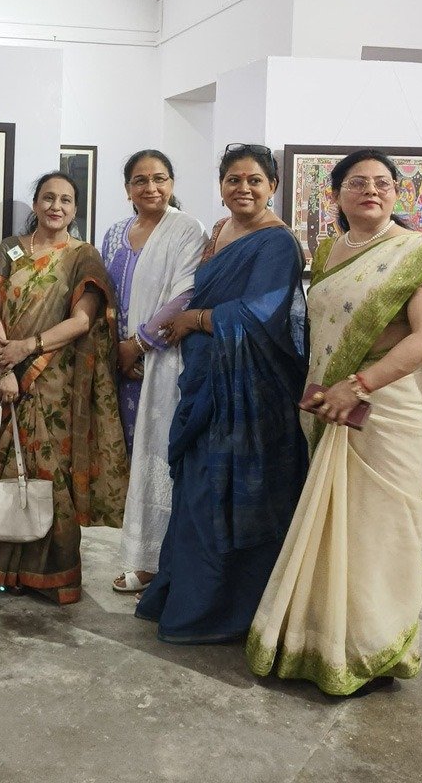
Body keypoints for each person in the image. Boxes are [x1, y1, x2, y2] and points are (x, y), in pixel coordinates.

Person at [248, 150, 422, 695]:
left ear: (397, 192)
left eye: (382, 182)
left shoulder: (419, 253)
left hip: (392, 408)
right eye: (358, 182)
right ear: (335, 195)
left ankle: (374, 648)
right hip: (332, 406)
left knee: (382, 532)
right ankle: (321, 643)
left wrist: (357, 385)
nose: (371, 190)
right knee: (337, 526)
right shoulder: (330, 250)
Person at [135, 144, 309, 642]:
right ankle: (187, 597)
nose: (243, 188)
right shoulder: (220, 230)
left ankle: (226, 610)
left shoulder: (278, 243)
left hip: (252, 392)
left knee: (231, 492)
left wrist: (194, 319)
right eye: (233, 179)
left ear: (273, 186)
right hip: (207, 379)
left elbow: (261, 313)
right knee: (196, 488)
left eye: (254, 180)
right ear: (221, 186)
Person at [0, 171, 129, 604]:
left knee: (51, 475)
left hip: (56, 383)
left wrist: (28, 348)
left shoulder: (83, 256)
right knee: (4, 466)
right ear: (35, 204)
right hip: (7, 374)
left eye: (66, 200)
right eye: (48, 198)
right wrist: (4, 368)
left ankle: (51, 574)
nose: (56, 207)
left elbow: (83, 321)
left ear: (75, 209)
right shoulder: (10, 248)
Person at [101, 151, 207, 595]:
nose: (151, 188)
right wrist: (114, 350)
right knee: (132, 455)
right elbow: (106, 293)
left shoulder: (187, 229)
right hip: (119, 365)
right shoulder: (114, 233)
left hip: (163, 359)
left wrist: (139, 344)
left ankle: (158, 562)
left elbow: (187, 293)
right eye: (140, 180)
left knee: (160, 457)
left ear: (172, 183)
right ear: (127, 187)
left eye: (160, 178)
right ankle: (140, 556)